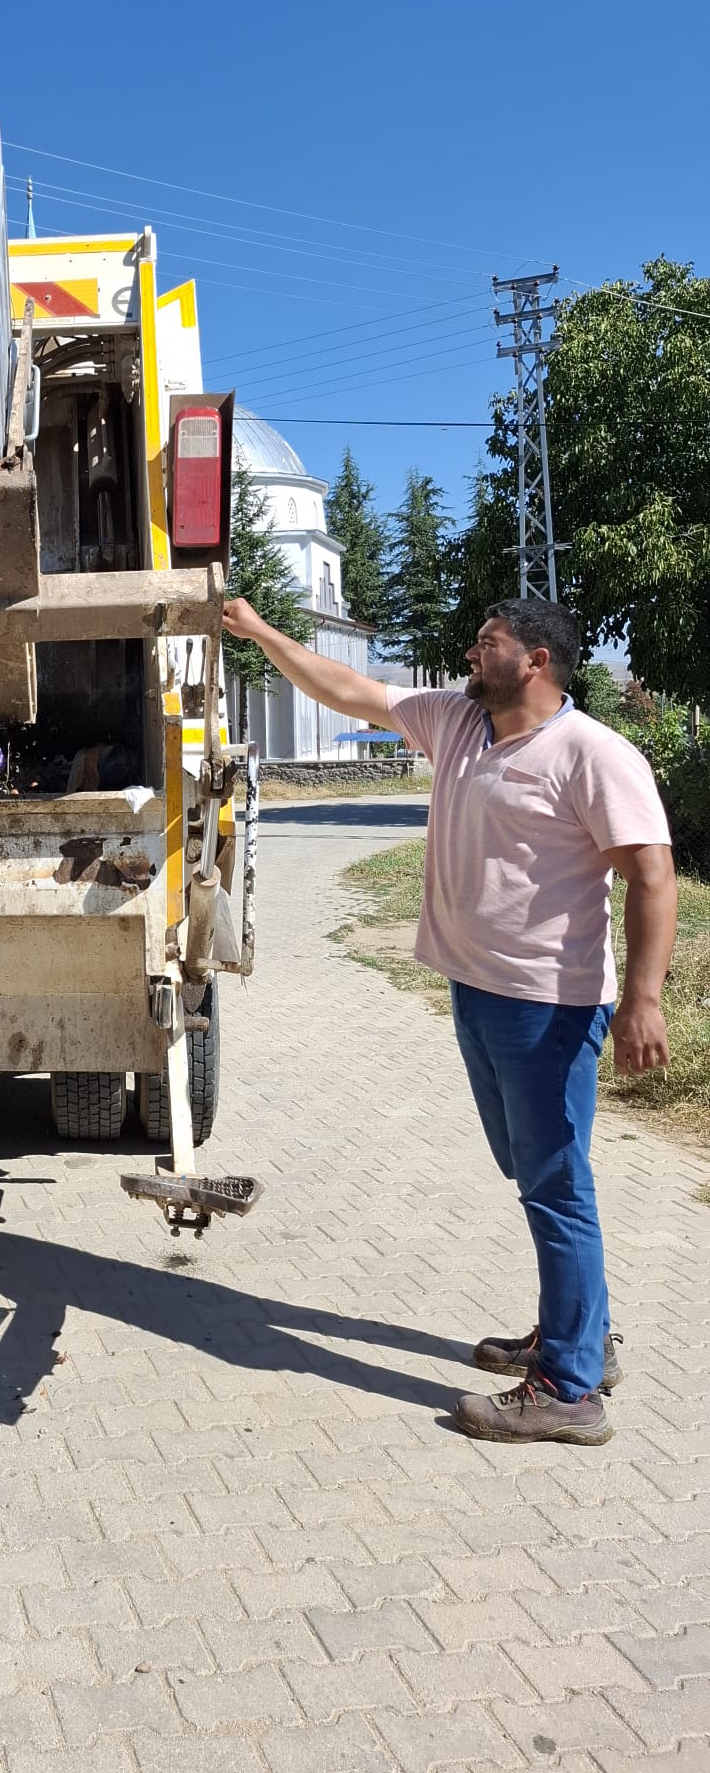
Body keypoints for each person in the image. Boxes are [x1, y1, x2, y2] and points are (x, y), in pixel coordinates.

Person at [222, 595, 676, 1446]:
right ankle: (580, 1336)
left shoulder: (591, 753)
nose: (472, 653)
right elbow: (349, 690)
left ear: (536, 660)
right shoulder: (461, 723)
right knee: (536, 1172)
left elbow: (652, 876)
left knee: (556, 1184)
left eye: (488, 643)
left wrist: (644, 999)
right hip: (475, 990)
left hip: (549, 1006)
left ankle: (571, 1391)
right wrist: (259, 632)